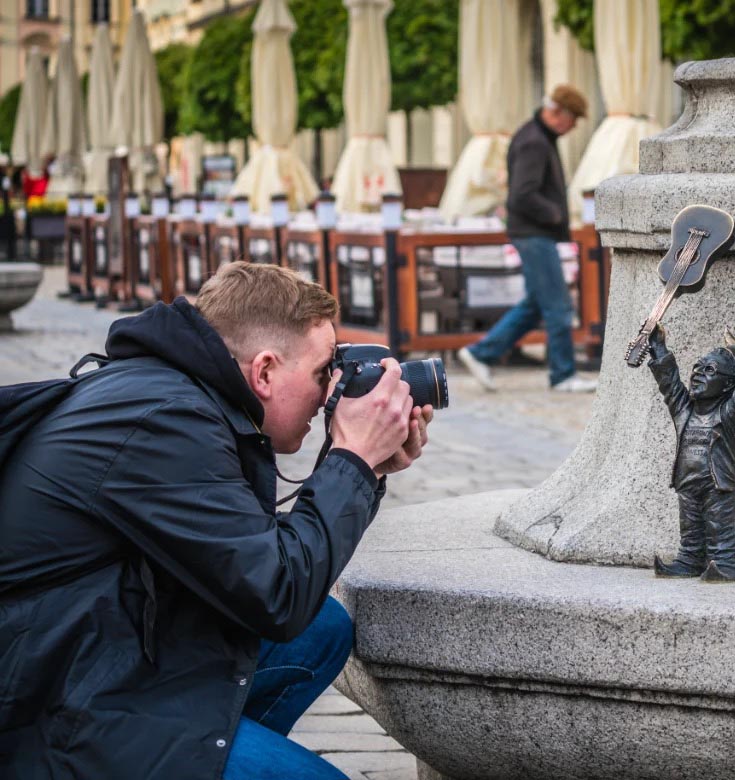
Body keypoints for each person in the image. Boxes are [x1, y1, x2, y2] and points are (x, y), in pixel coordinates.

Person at [0, 262, 431, 779]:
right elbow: (277, 593)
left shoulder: (181, 394)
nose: (329, 395)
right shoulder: (164, 421)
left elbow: (257, 567)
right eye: (322, 372)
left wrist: (366, 467)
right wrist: (353, 458)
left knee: (322, 629)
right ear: (265, 371)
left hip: (99, 644)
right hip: (48, 709)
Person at [457, 84, 597, 394]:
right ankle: (563, 375)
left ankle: (481, 352)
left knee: (536, 304)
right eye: (573, 120)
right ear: (558, 113)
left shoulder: (536, 136)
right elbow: (522, 195)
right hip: (534, 233)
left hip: (532, 233)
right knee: (558, 305)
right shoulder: (534, 141)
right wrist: (556, 215)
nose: (573, 127)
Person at [648, 322, 735, 582]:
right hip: (686, 481)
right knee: (689, 527)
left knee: (718, 527)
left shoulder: (730, 415)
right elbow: (669, 384)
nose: (698, 374)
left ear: (727, 385)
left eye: (710, 370)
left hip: (717, 483)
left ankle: (725, 563)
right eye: (697, 369)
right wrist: (658, 348)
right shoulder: (685, 410)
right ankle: (688, 560)